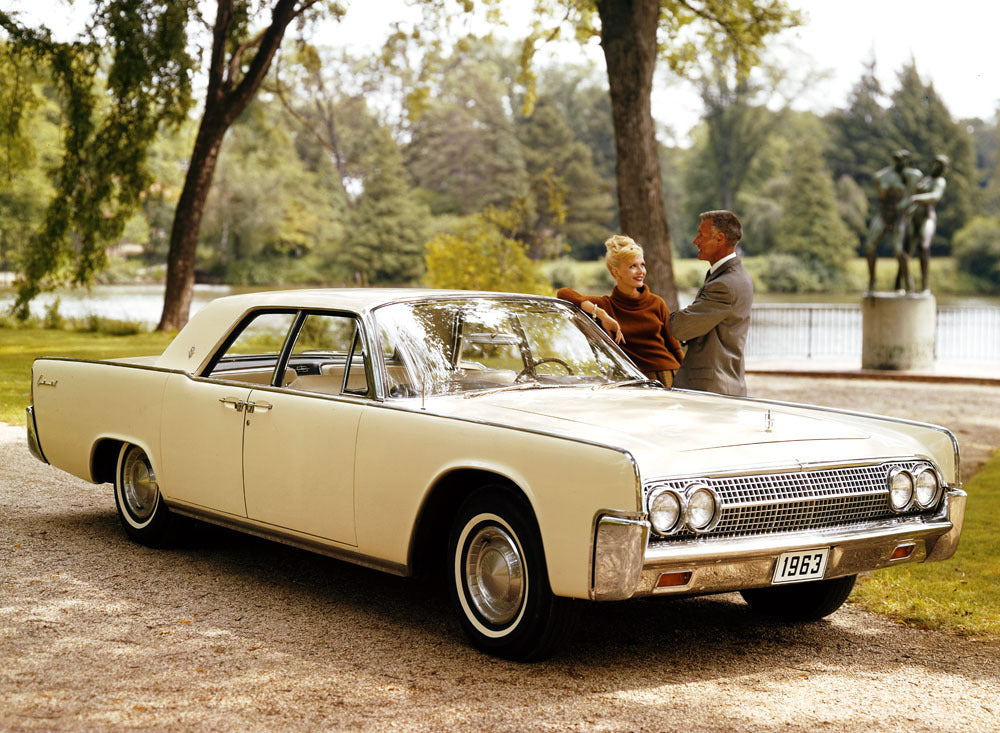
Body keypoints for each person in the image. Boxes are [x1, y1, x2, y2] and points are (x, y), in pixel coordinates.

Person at [556, 234, 684, 386]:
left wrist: (688, 378)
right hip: (632, 378)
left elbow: (674, 347)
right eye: (633, 266)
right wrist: (602, 314)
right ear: (616, 272)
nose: (641, 271)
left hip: (668, 374)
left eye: (642, 264)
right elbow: (564, 293)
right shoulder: (605, 305)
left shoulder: (657, 303)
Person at [669, 210, 753, 396]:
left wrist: (680, 315)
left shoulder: (724, 284)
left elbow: (680, 328)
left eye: (701, 235)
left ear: (720, 238)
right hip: (722, 385)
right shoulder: (732, 276)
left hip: (711, 390)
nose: (695, 241)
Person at [864, 149, 922, 293]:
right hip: (884, 212)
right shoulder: (883, 176)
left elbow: (909, 197)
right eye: (897, 160)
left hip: (899, 215)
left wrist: (903, 206)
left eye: (903, 160)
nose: (900, 163)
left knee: (897, 248)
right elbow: (879, 187)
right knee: (870, 246)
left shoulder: (912, 176)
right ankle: (872, 281)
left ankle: (908, 280)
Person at [898, 154, 948, 293]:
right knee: (905, 251)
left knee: (924, 247)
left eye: (940, 165)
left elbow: (934, 196)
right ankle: (904, 284)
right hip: (914, 217)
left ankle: (925, 286)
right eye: (935, 163)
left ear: (944, 168)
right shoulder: (926, 180)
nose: (936, 167)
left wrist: (916, 198)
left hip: (927, 217)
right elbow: (911, 189)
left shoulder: (940, 181)